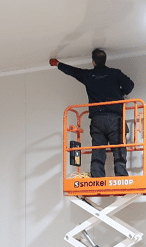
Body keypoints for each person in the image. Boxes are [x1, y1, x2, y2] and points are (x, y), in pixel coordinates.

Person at [49, 49, 134, 178]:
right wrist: (120, 92)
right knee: (119, 148)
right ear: (104, 60)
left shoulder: (88, 75)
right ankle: (121, 176)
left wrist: (58, 64)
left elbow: (73, 71)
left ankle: (97, 176)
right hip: (114, 119)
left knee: (98, 149)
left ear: (93, 62)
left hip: (97, 119)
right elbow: (130, 85)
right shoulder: (115, 73)